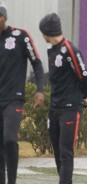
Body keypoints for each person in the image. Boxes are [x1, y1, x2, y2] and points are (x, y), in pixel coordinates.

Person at [39, 13, 87, 184]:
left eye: (43, 32)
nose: (42, 35)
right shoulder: (51, 50)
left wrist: (85, 96)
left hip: (70, 108)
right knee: (57, 150)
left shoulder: (71, 49)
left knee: (66, 150)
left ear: (48, 32)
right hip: (54, 108)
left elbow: (84, 77)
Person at [0, 2, 44, 183]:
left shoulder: (20, 36)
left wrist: (40, 90)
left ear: (4, 18)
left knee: (10, 140)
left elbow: (37, 63)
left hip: (13, 99)